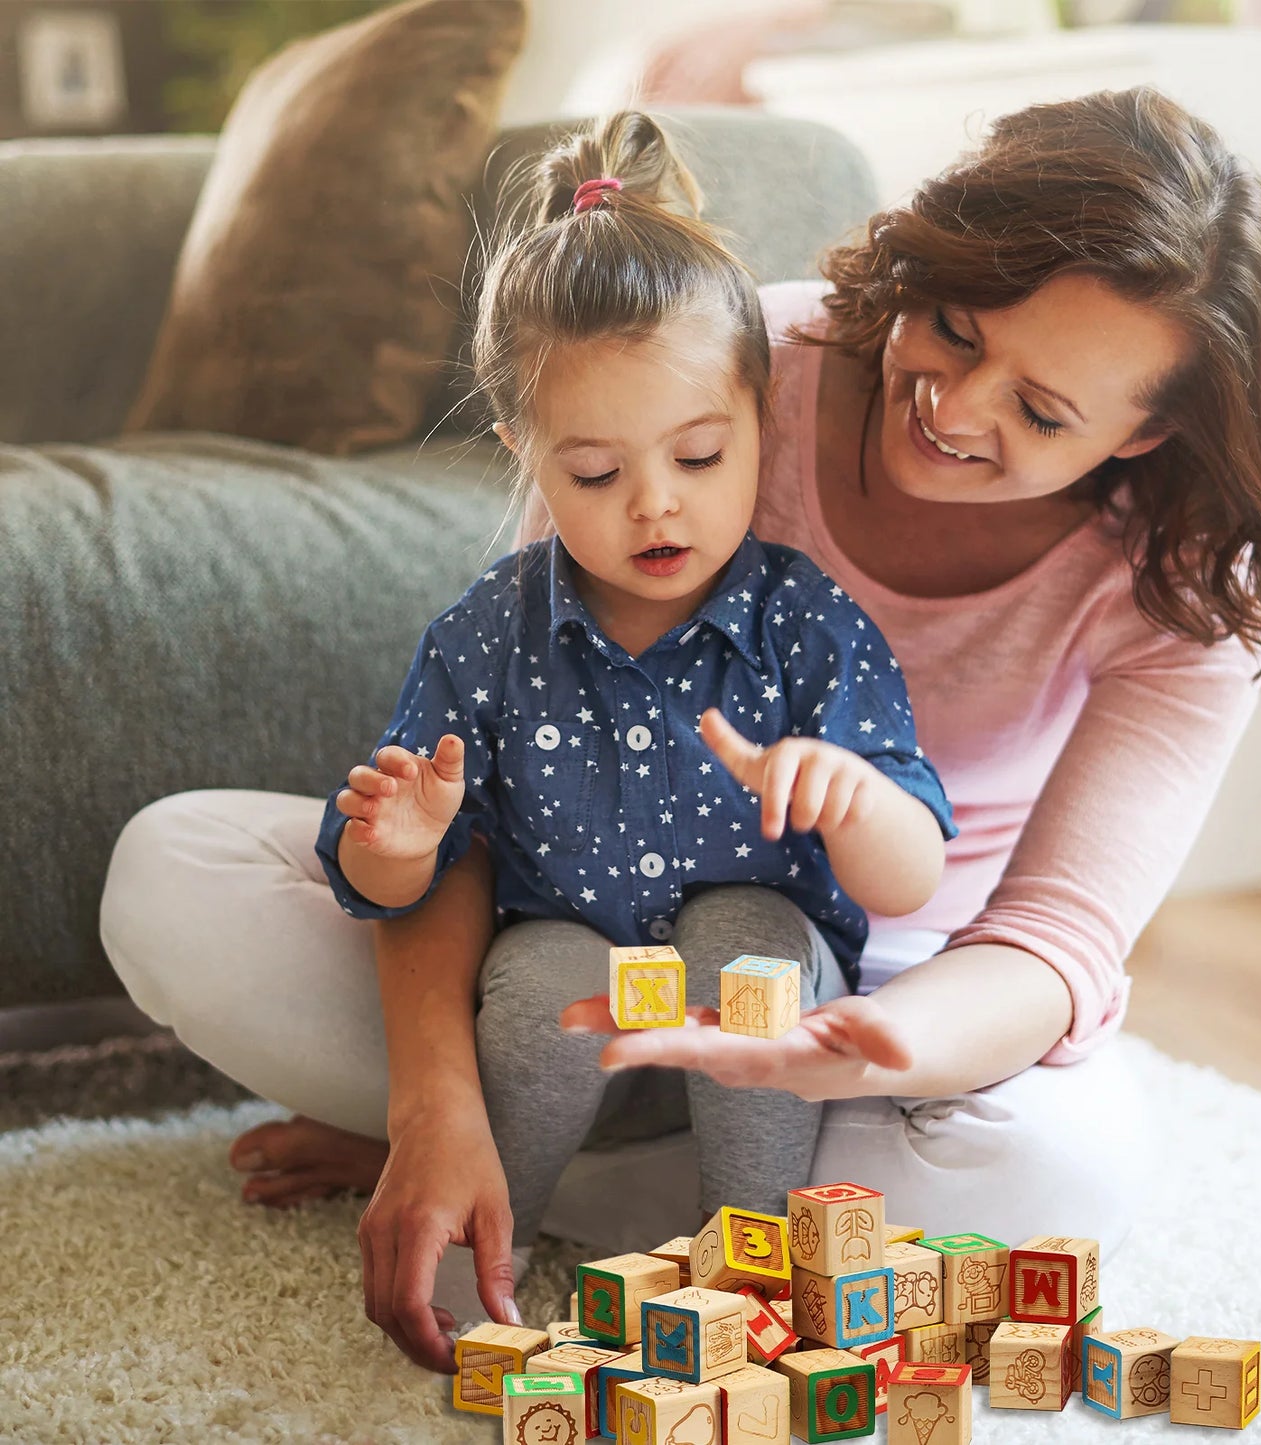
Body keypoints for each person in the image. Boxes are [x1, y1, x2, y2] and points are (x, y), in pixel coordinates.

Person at [99, 87, 1261, 1378]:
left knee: (1050, 1172)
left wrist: (862, 1052)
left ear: (1144, 434)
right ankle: (523, 1148)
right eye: (955, 329)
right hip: (559, 944)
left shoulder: (1194, 591)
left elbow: (1051, 947)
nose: (956, 408)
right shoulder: (718, 371)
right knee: (174, 870)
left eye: (1040, 414)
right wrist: (434, 1101)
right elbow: (494, 776)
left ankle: (610, 1193)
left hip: (874, 977)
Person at [311, 105, 954, 1328]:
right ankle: (491, 1242)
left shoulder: (806, 619)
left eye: (701, 456)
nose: (653, 508)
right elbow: (393, 886)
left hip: (757, 994)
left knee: (747, 937)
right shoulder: (487, 629)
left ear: (764, 417)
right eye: (595, 475)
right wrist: (393, 843)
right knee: (540, 980)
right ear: (525, 450)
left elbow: (912, 872)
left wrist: (848, 791)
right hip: (571, 963)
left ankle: (750, 1267)